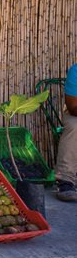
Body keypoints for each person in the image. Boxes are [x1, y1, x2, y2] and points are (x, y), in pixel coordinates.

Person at [55, 63, 77, 202]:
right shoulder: (75, 71)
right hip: (76, 115)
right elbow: (73, 107)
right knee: (75, 127)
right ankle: (66, 181)